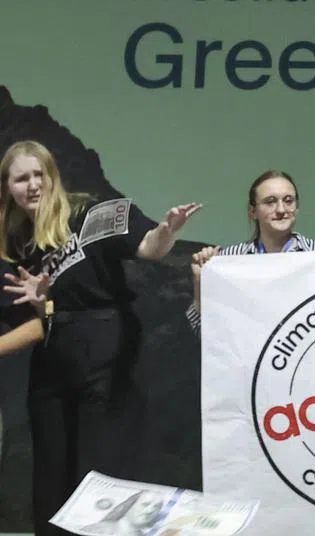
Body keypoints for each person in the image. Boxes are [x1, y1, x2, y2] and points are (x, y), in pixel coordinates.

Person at [0, 140, 200, 536]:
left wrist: (166, 230)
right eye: (22, 178)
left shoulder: (88, 212)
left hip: (106, 352)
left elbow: (148, 248)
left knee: (97, 474)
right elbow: (39, 317)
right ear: (8, 187)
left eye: (39, 174)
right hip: (53, 359)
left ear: (53, 176)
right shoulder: (17, 241)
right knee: (52, 475)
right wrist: (44, 302)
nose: (33, 185)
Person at [184, 170, 315, 337]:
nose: (281, 209)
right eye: (270, 202)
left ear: (297, 208)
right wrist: (201, 286)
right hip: (246, 361)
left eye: (288, 201)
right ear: (253, 211)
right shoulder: (227, 260)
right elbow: (200, 330)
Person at [82, 489, 165, 535]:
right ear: (129, 505)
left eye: (156, 507)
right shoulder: (96, 530)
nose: (150, 511)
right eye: (145, 504)